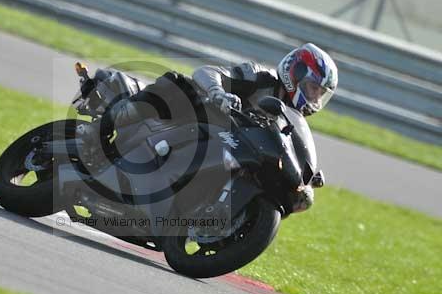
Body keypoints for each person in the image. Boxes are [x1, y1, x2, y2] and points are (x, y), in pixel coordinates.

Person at [79, 43, 338, 212]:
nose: (314, 98)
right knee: (177, 85)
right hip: (202, 117)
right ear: (295, 73)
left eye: (320, 93)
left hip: (229, 150)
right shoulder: (260, 77)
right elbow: (207, 72)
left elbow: (293, 151)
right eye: (313, 88)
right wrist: (218, 93)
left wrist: (306, 177)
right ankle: (98, 129)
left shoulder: (294, 119)